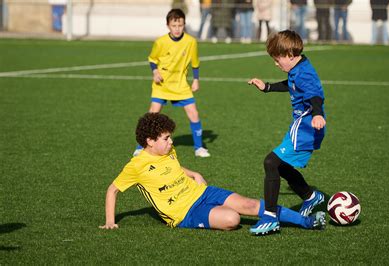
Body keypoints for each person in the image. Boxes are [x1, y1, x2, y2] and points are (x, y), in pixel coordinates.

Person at [100, 113, 326, 234]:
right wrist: (111, 221)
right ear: (149, 141)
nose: (171, 141)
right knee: (232, 219)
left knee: (248, 205)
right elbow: (112, 190)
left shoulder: (169, 151)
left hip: (202, 192)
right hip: (184, 214)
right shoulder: (136, 166)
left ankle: (306, 222)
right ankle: (222, 212)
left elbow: (173, 169)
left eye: (170, 137)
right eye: (165, 138)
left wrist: (193, 173)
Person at [247, 30, 326, 235]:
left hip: (307, 127)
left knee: (270, 162)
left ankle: (271, 217)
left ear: (290, 54)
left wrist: (317, 114)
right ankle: (310, 196)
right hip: (301, 125)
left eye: (277, 59)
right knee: (279, 166)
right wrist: (267, 87)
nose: (276, 63)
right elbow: (292, 85)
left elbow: (314, 94)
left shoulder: (305, 73)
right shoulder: (298, 69)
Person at [135, 9, 210, 158]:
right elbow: (152, 59)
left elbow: (195, 62)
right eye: (174, 25)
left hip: (181, 85)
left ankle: (199, 147)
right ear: (168, 25)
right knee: (152, 115)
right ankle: (140, 146)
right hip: (162, 85)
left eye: (180, 25)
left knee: (194, 114)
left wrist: (196, 80)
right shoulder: (160, 42)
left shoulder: (190, 42)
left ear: (184, 25)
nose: (177, 28)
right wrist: (155, 72)